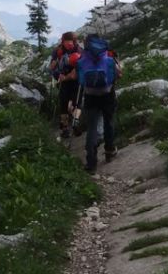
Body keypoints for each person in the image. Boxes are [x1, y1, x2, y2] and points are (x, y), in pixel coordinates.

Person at [76, 33, 122, 173]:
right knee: (108, 122)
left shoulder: (81, 60)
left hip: (90, 96)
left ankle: (91, 163)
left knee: (92, 127)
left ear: (87, 44)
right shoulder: (108, 58)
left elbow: (80, 81)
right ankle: (109, 151)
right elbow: (119, 74)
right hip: (108, 94)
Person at [49, 32, 81, 138]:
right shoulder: (77, 49)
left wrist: (58, 74)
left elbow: (52, 67)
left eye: (70, 42)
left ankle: (66, 128)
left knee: (67, 104)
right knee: (73, 103)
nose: (69, 44)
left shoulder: (59, 50)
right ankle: (72, 124)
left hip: (67, 81)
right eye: (68, 42)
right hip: (71, 81)